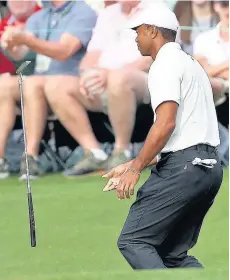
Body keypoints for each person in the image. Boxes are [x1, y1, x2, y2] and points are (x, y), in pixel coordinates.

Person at [102, 3, 223, 270]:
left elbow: (166, 124)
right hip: (209, 169)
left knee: (134, 241)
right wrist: (136, 162)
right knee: (173, 256)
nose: (136, 38)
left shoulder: (164, 64)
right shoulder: (190, 63)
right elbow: (185, 134)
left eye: (138, 32)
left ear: (153, 31)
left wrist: (134, 170)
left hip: (184, 169)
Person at [44, 0, 152, 177]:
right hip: (103, 80)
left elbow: (152, 57)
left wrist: (108, 74)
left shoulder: (156, 11)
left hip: (143, 78)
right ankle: (95, 153)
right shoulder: (108, 14)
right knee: (56, 85)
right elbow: (91, 55)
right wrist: (88, 75)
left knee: (119, 79)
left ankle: (121, 151)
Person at [0, 0, 97, 180]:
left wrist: (27, 40)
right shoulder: (40, 16)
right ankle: (0, 159)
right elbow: (21, 53)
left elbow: (64, 51)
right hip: (39, 81)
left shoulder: (82, 12)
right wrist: (10, 44)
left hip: (72, 80)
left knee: (34, 83)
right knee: (4, 86)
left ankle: (30, 157)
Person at [193, 0, 229, 165]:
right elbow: (202, 71)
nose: (228, 8)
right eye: (224, 3)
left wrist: (217, 69)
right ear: (215, 6)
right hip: (215, 93)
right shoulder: (204, 39)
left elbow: (209, 69)